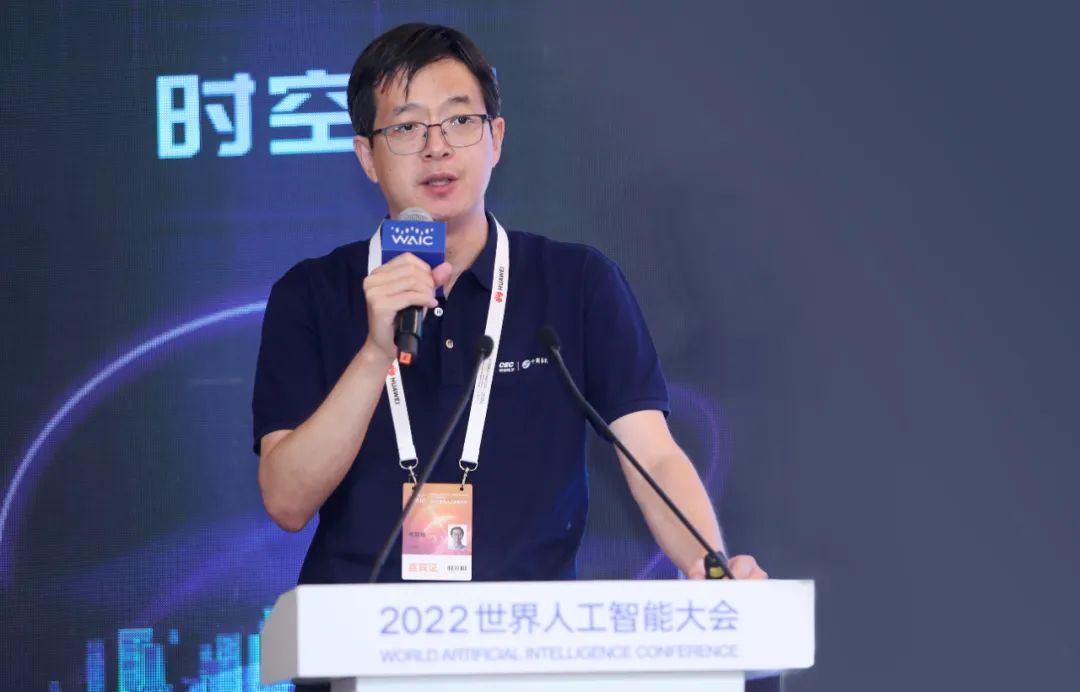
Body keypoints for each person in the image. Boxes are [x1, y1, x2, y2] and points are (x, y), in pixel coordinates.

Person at [253, 23, 767, 586]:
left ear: (495, 138)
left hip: (525, 628)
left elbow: (652, 453)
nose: (436, 146)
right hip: (356, 631)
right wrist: (376, 352)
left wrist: (708, 566)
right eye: (406, 127)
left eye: (459, 120)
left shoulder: (576, 282)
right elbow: (287, 501)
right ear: (367, 157)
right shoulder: (311, 294)